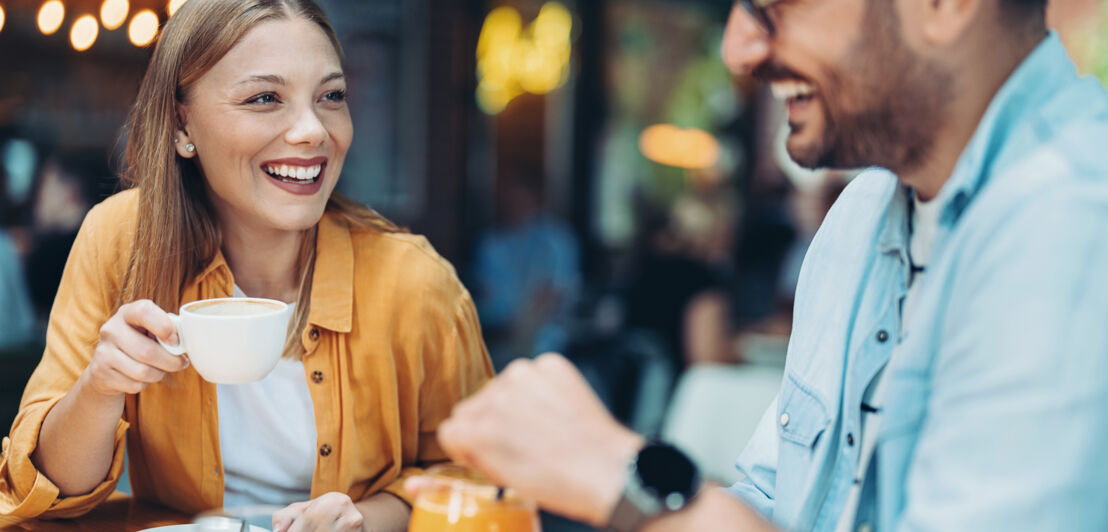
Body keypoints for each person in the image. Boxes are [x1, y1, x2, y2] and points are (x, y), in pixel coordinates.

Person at [432, 1, 1108, 531]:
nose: (738, 49)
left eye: (776, 3)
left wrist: (626, 478)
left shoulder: (1076, 219)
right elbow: (772, 502)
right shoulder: (861, 217)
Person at [0, 1, 493, 530]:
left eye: (331, 96)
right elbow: (45, 495)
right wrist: (100, 387)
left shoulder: (417, 283)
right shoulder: (121, 240)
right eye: (264, 98)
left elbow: (481, 479)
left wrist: (368, 520)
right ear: (180, 123)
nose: (312, 131)